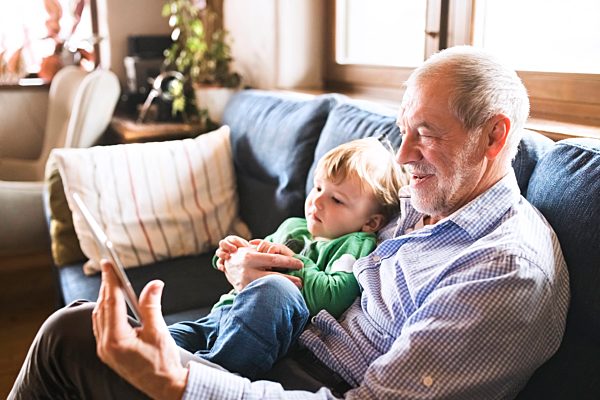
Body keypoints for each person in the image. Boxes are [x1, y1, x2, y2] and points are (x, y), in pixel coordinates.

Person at [9, 45, 569, 400]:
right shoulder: (425, 201)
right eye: (403, 130)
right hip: (281, 345)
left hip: (306, 381)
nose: (402, 156)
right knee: (83, 323)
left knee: (69, 342)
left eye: (425, 132)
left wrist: (184, 383)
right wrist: (250, 273)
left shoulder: (505, 270)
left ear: (494, 136)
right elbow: (319, 251)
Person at [167, 137, 406, 378]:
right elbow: (252, 262)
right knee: (166, 338)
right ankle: (155, 356)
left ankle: (209, 376)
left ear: (370, 222)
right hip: (223, 312)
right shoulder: (293, 226)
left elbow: (334, 297)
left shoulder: (353, 244)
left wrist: (295, 263)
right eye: (319, 187)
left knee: (276, 289)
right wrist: (234, 253)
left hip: (271, 326)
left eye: (336, 199)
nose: (317, 201)